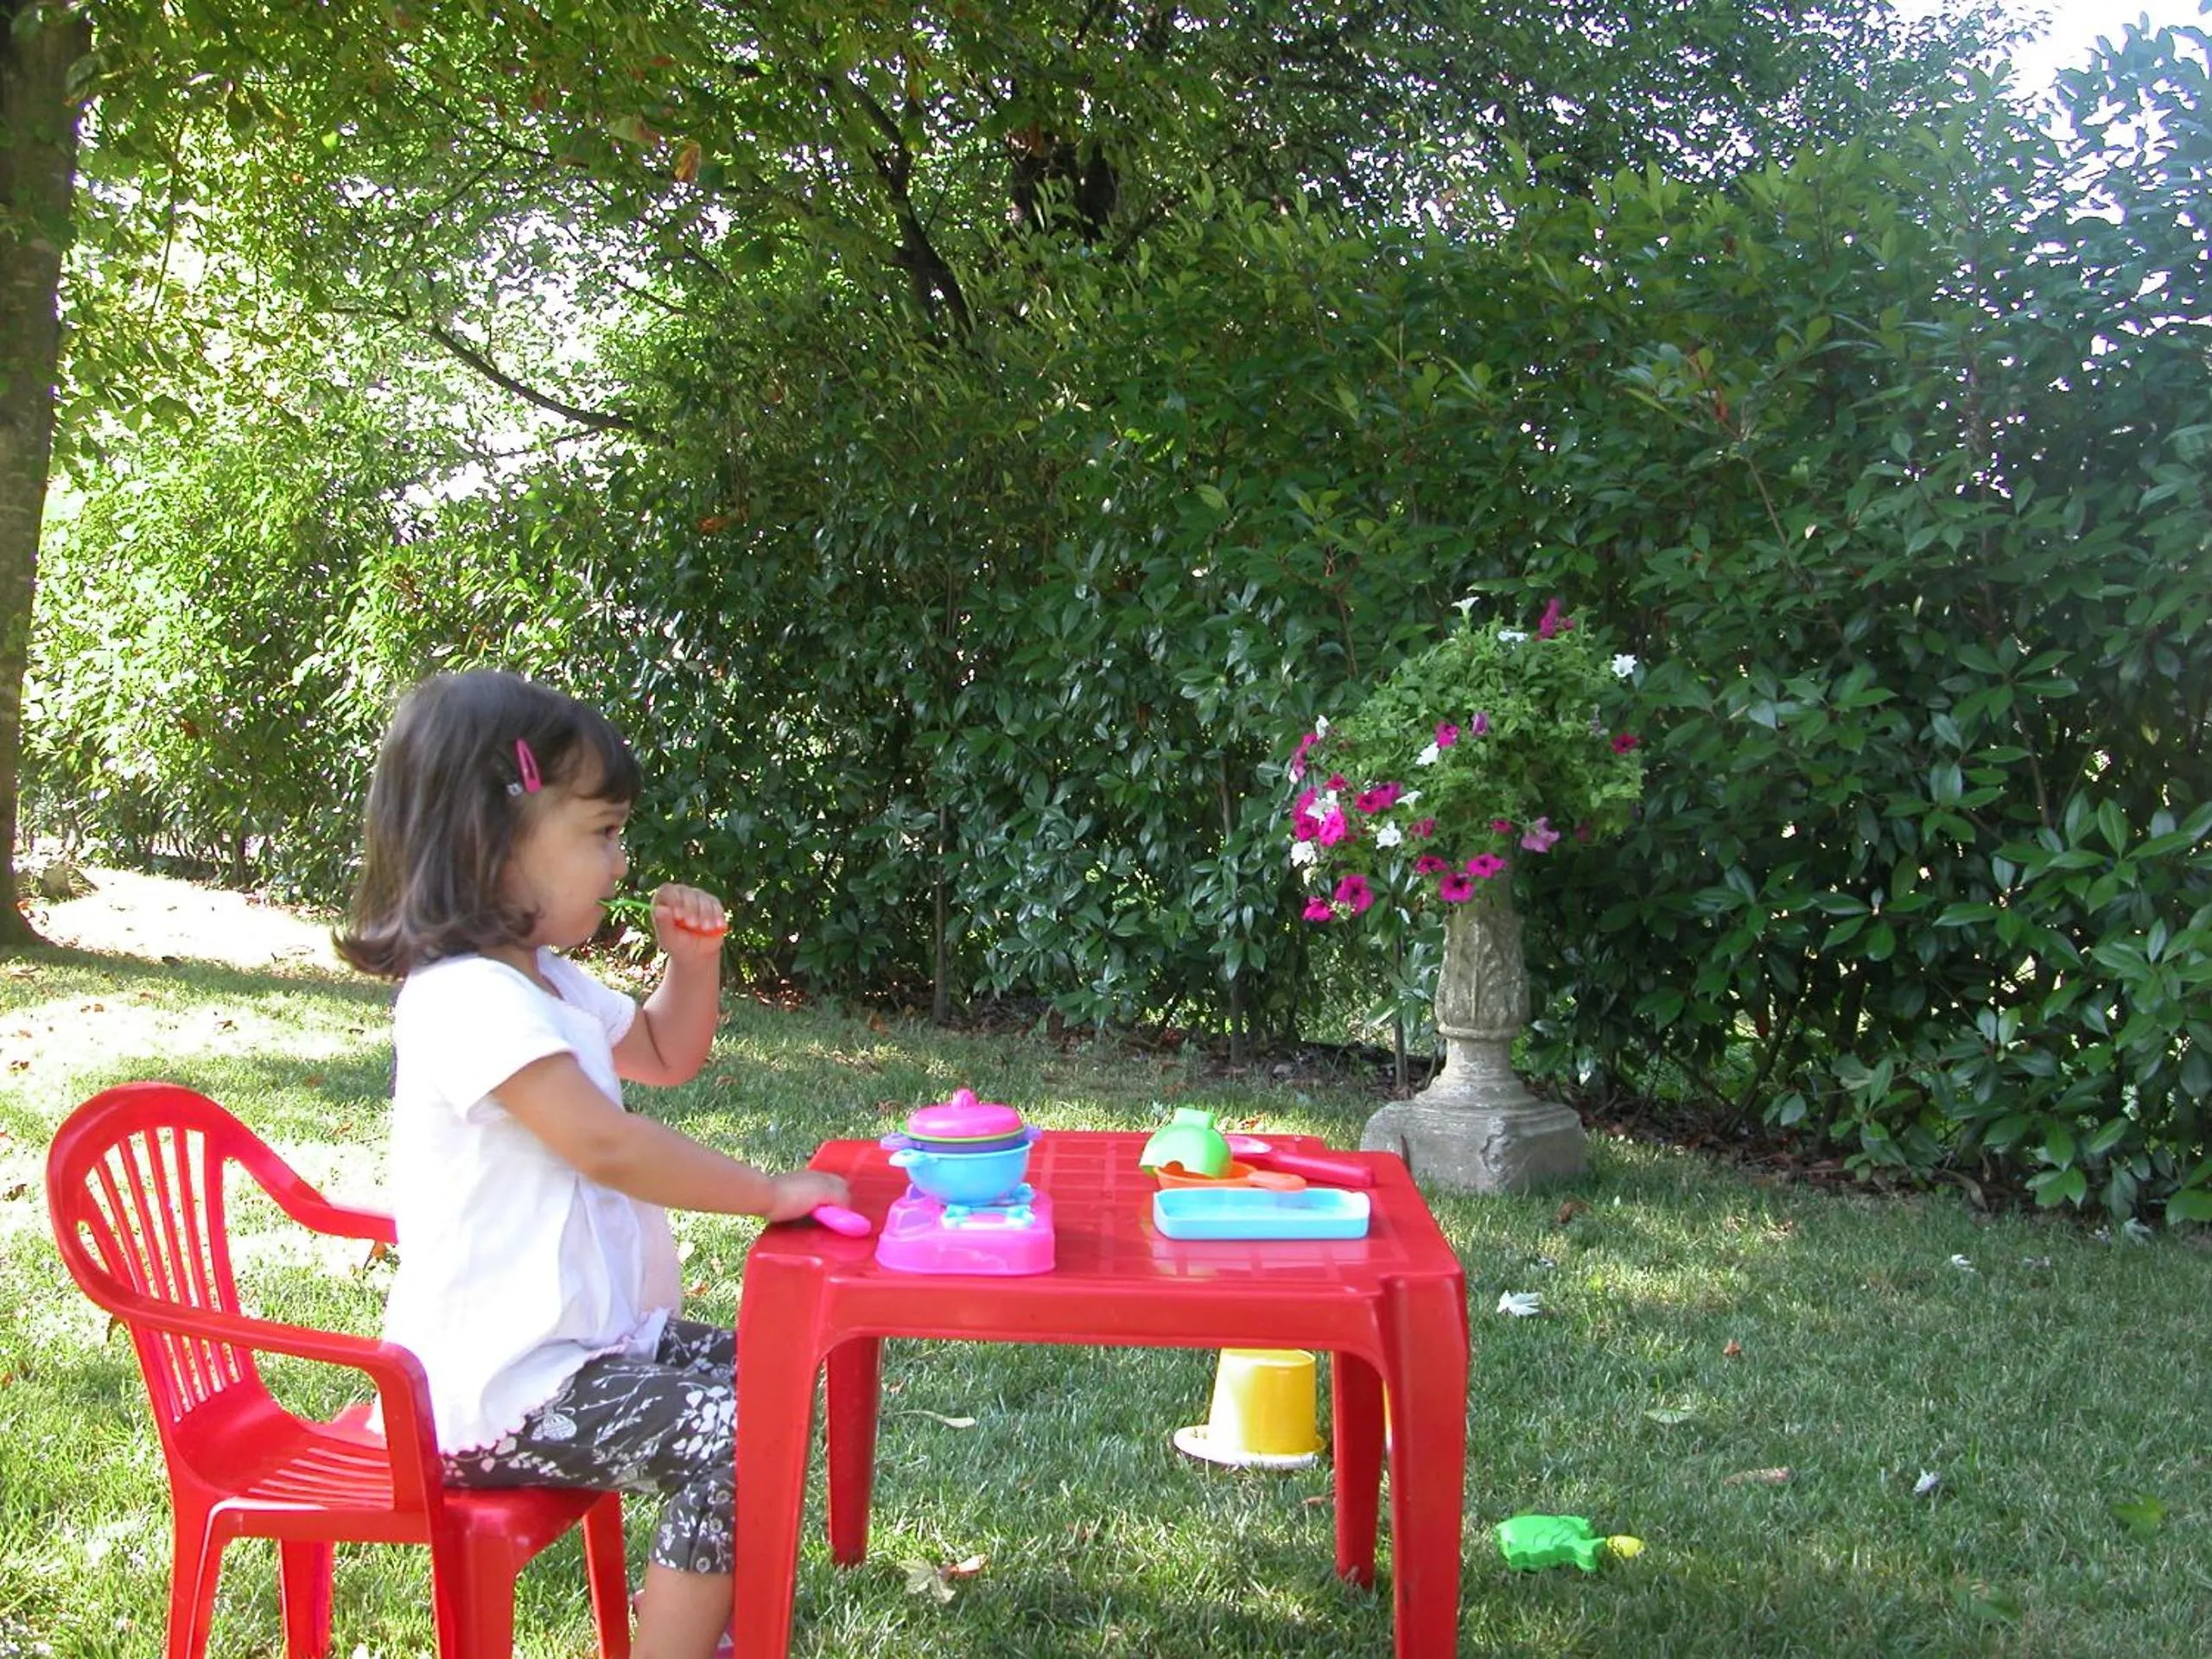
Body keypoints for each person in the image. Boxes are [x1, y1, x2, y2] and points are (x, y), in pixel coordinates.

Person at [337, 670, 849, 1659]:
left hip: (582, 1353)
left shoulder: (547, 981)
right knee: (729, 1430)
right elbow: (605, 1143)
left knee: (776, 1376)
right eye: (601, 833)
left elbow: (663, 1056)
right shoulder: (465, 999)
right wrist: (767, 1194)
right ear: (491, 842)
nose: (621, 862)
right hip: (495, 1392)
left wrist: (691, 964)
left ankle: (719, 1625)